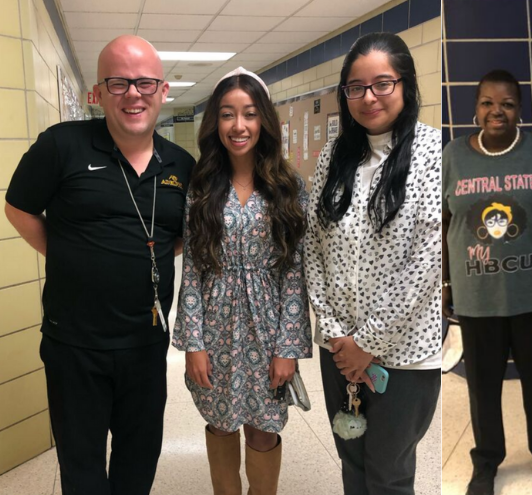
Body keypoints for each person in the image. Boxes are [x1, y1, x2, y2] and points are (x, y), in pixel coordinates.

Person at [3, 35, 194, 494]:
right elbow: (19, 207)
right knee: (82, 467)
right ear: (97, 93)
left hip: (147, 346)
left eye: (145, 83)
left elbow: (183, 235)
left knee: (138, 461)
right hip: (75, 346)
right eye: (119, 82)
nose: (133, 94)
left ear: (163, 91)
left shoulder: (182, 164)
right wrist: (68, 254)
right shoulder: (62, 146)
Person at [304, 32, 442, 495]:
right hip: (338, 351)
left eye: (382, 84)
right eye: (355, 87)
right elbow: (313, 249)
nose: (368, 97)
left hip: (403, 354)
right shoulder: (333, 156)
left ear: (405, 85)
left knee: (389, 473)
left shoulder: (432, 152)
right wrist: (337, 334)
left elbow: (426, 261)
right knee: (353, 460)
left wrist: (368, 342)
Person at [172, 67, 312, 494]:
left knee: (264, 427)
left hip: (268, 325)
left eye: (249, 114)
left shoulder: (288, 187)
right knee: (220, 421)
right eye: (228, 114)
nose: (239, 125)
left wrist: (288, 347)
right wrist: (193, 343)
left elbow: (294, 273)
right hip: (215, 325)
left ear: (264, 120)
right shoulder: (201, 187)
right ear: (215, 122)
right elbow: (193, 269)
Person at [443, 69, 532, 495]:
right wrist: (445, 286)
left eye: (506, 103)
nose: (496, 111)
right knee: (482, 390)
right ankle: (486, 462)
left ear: (520, 109)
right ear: (476, 108)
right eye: (487, 102)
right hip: (476, 299)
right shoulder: (452, 156)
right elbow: (443, 226)